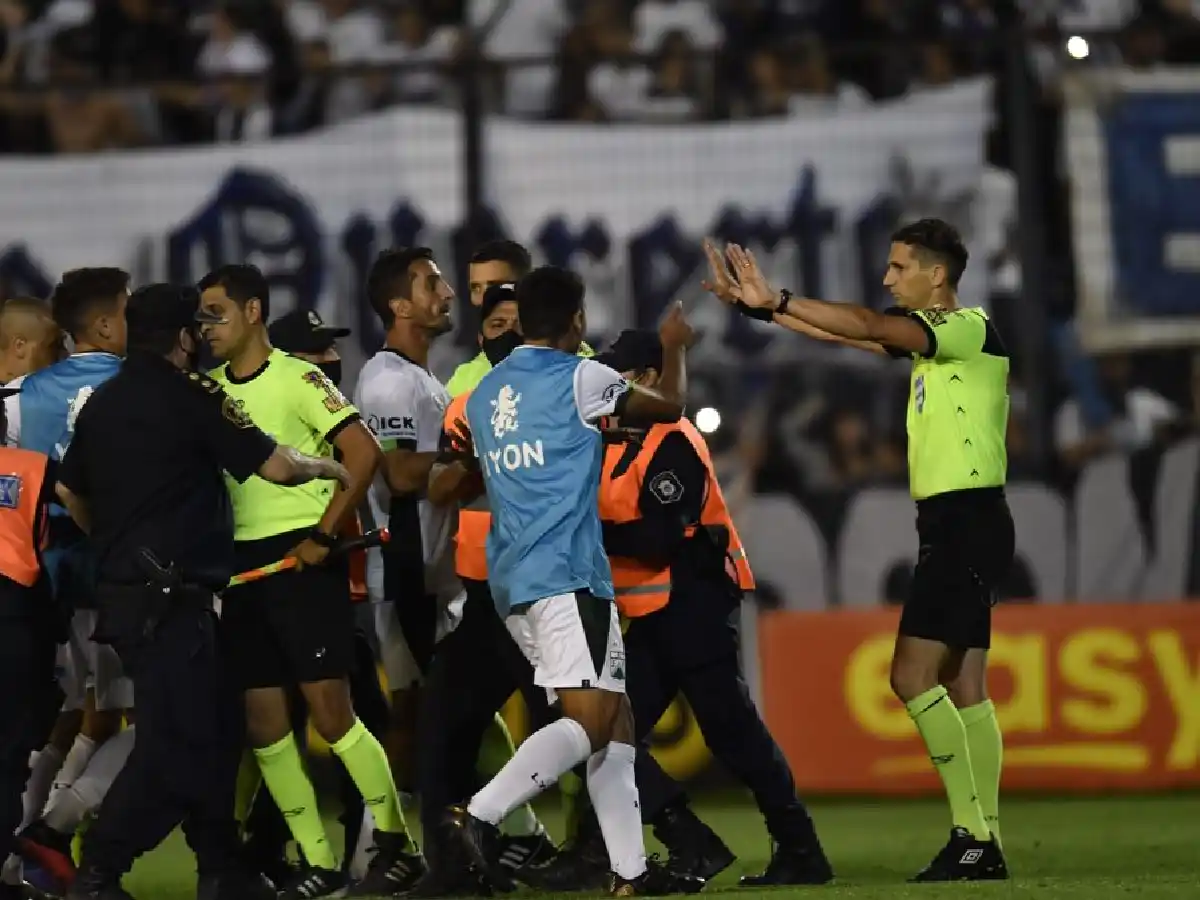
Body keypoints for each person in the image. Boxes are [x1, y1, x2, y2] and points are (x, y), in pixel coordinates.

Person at [701, 219, 1012, 882]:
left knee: (910, 677)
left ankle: (974, 837)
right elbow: (850, 334)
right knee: (964, 684)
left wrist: (779, 299)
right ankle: (983, 839)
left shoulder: (968, 327)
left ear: (937, 275)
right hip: (966, 521)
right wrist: (769, 313)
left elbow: (870, 326)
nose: (888, 278)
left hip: (965, 522)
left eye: (900, 267)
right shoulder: (940, 346)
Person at [54, 282, 350, 900]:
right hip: (174, 600)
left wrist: (115, 546)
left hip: (130, 596)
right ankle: (100, 869)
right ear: (184, 338)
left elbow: (70, 492)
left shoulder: (104, 404)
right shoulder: (194, 396)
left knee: (215, 729)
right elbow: (275, 465)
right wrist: (329, 467)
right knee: (177, 746)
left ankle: (222, 866)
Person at [448, 266, 702, 896]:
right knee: (591, 722)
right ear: (578, 321)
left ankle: (630, 875)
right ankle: (478, 815)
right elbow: (669, 408)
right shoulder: (580, 377)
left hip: (511, 579)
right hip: (566, 573)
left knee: (614, 722)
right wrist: (673, 347)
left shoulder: (484, 396)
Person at [551, 329, 832, 886]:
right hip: (656, 610)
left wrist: (584, 534)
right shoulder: (614, 442)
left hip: (695, 600)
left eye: (620, 376)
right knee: (604, 732)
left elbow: (657, 541)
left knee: (726, 732)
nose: (610, 387)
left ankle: (795, 848)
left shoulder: (672, 439)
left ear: (651, 379)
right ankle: (664, 846)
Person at [199, 264, 418, 899]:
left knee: (332, 714)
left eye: (217, 312)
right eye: (202, 315)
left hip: (303, 563)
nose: (207, 326)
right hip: (243, 568)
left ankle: (399, 846)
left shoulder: (301, 378)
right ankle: (319, 863)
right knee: (265, 724)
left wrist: (323, 534)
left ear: (253, 313)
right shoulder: (207, 391)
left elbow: (363, 453)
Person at [413, 284, 558, 895]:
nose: (506, 333)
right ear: (482, 335)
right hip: (484, 595)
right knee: (442, 729)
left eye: (516, 323)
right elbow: (440, 485)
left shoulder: (561, 392)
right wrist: (485, 460)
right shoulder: (468, 400)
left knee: (586, 727)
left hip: (548, 591)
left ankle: (637, 843)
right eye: (495, 323)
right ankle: (455, 868)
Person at [239, 308, 392, 888]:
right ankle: (287, 853)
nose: (330, 360)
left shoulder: (329, 419)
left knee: (337, 725)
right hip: (293, 593)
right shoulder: (283, 414)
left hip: (336, 600)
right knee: (287, 731)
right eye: (317, 351)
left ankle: (348, 854)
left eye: (331, 349)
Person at [7, 271, 134, 895]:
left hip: (39, 581)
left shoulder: (19, 398)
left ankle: (26, 845)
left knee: (67, 713)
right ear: (108, 323)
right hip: (120, 576)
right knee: (154, 715)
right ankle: (50, 828)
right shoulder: (141, 386)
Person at [0, 394, 68, 900]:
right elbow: (87, 507)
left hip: (19, 619)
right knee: (7, 757)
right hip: (15, 619)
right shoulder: (31, 467)